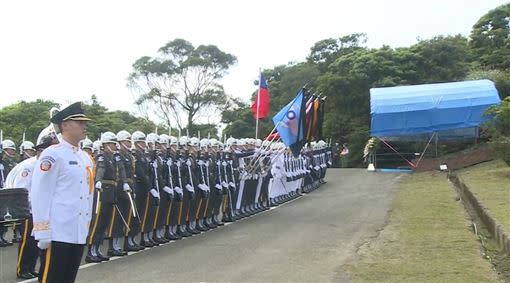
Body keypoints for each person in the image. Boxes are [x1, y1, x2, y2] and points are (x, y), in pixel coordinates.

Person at [30, 102, 93, 283]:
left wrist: (86, 226)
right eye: (79, 122)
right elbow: (41, 194)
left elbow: (88, 195)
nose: (84, 126)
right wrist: (42, 231)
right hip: (57, 232)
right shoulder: (53, 155)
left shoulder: (85, 158)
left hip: (77, 231)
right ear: (64, 125)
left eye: (84, 122)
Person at [6, 130, 59, 279]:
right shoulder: (29, 166)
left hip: (42, 209)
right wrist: (31, 205)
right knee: (27, 241)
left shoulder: (47, 165)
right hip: (29, 209)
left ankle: (30, 267)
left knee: (37, 242)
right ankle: (22, 268)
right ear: (39, 150)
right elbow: (23, 189)